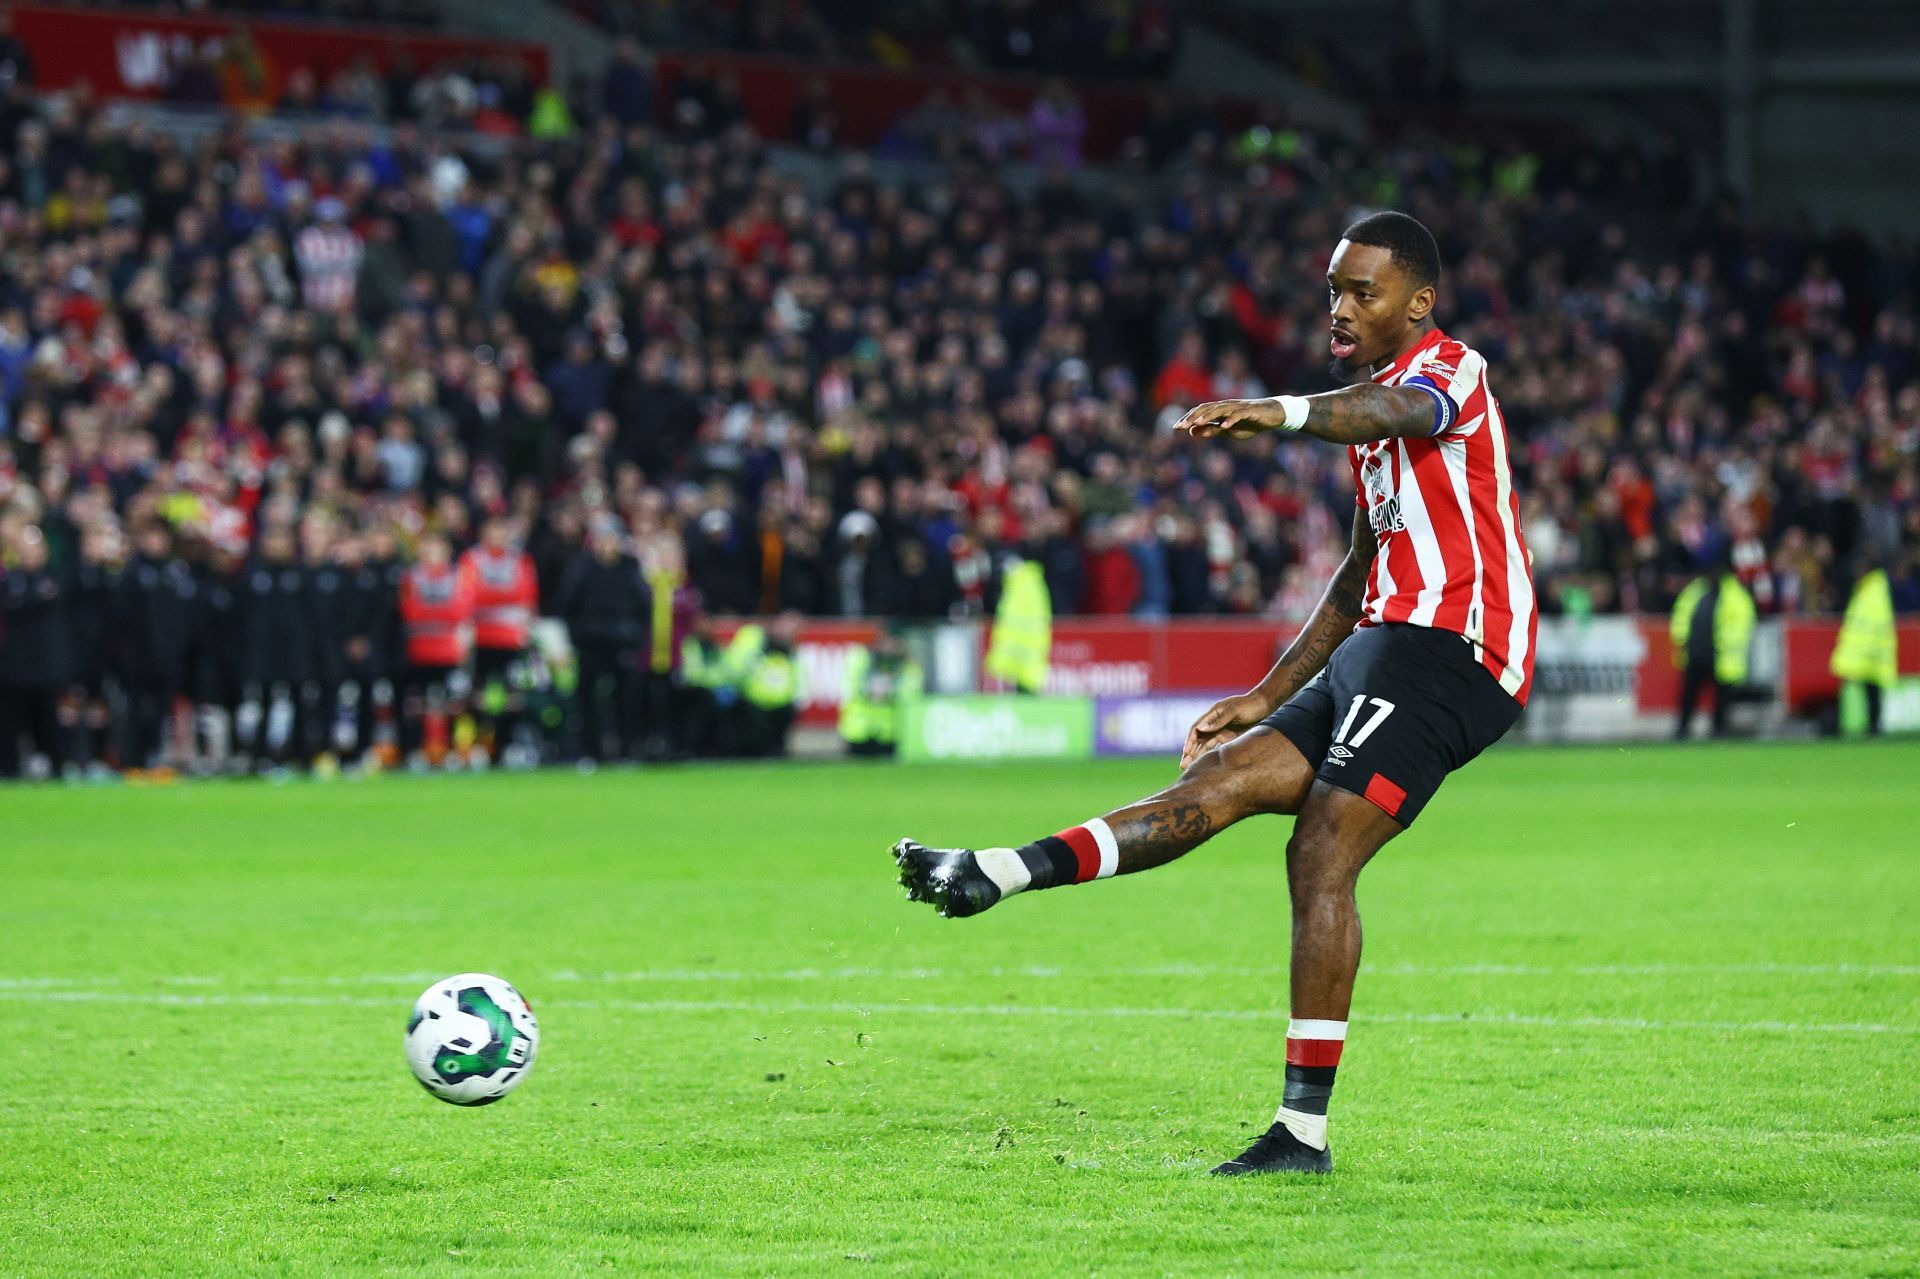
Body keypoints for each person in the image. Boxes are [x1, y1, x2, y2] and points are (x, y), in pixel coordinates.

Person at [892, 213, 1536, 1176]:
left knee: (1321, 844)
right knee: (1218, 782)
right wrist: (1265, 691)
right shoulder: (1367, 426)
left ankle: (1301, 1135)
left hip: (1457, 650)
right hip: (1381, 644)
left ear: (1421, 303)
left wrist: (1275, 412)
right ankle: (999, 869)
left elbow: (1397, 415)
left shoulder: (1452, 374)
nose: (1341, 307)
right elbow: (1360, 572)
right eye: (1333, 290)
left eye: (1364, 291)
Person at [556, 518, 648, 762]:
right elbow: (567, 604)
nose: (607, 545)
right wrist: (577, 637)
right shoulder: (582, 568)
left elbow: (644, 606)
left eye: (612, 539)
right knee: (587, 701)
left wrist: (636, 638)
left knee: (626, 701)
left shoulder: (630, 569)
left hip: (623, 643)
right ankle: (590, 752)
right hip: (590, 644)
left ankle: (627, 751)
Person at [463, 516, 539, 763]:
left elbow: (526, 596)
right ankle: (480, 747)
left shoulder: (520, 560)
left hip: (511, 639)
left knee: (513, 695)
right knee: (478, 695)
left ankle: (508, 745)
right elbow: (468, 595)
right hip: (481, 638)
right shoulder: (472, 559)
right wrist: (502, 596)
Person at [398, 532, 474, 766]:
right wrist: (439, 612)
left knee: (451, 704)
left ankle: (450, 751)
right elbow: (409, 612)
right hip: (419, 650)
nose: (431, 555)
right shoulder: (411, 577)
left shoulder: (458, 576)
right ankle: (418, 751)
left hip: (448, 651)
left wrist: (429, 612)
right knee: (417, 705)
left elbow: (460, 610)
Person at [0, 525, 70, 778]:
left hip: (46, 665)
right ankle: (8, 768)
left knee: (48, 721)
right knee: (10, 722)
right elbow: (16, 606)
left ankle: (57, 767)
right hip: (14, 665)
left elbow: (25, 606)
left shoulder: (55, 577)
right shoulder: (11, 580)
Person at [1670, 554, 1757, 740]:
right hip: (1695, 653)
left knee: (1721, 698)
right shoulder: (1696, 591)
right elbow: (1681, 616)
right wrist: (1683, 640)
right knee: (1688, 695)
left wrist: (1727, 644)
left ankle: (1719, 729)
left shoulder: (1734, 595)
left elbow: (1742, 624)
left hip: (1721, 655)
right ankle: (1683, 729)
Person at [1829, 556, 1897, 736]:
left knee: (1865, 691)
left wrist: (1865, 650)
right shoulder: (1870, 589)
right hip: (1865, 653)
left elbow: (1871, 625)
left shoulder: (1872, 591)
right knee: (1870, 692)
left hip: (1866, 653)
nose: (1857, 573)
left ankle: (1856, 725)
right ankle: (1871, 725)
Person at [840, 629, 924, 757]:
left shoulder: (908, 666)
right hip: (859, 729)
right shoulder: (861, 658)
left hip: (888, 731)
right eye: (887, 642)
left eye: (895, 644)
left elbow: (912, 694)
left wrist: (890, 693)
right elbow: (849, 683)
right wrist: (868, 692)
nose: (889, 648)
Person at [738, 612, 802, 758]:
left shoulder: (790, 653)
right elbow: (742, 668)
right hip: (755, 700)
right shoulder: (756, 642)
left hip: (779, 703)